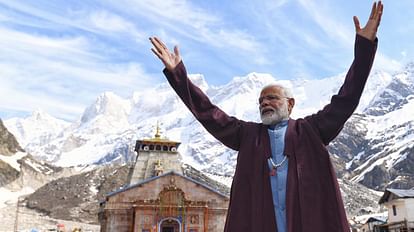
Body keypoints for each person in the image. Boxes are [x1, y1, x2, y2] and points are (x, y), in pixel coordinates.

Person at [150, 1, 383, 231]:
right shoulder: (247, 135)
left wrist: (364, 48)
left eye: (272, 98)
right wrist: (178, 76)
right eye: (261, 101)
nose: (265, 103)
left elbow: (347, 98)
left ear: (290, 104)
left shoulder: (312, 129)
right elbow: (209, 113)